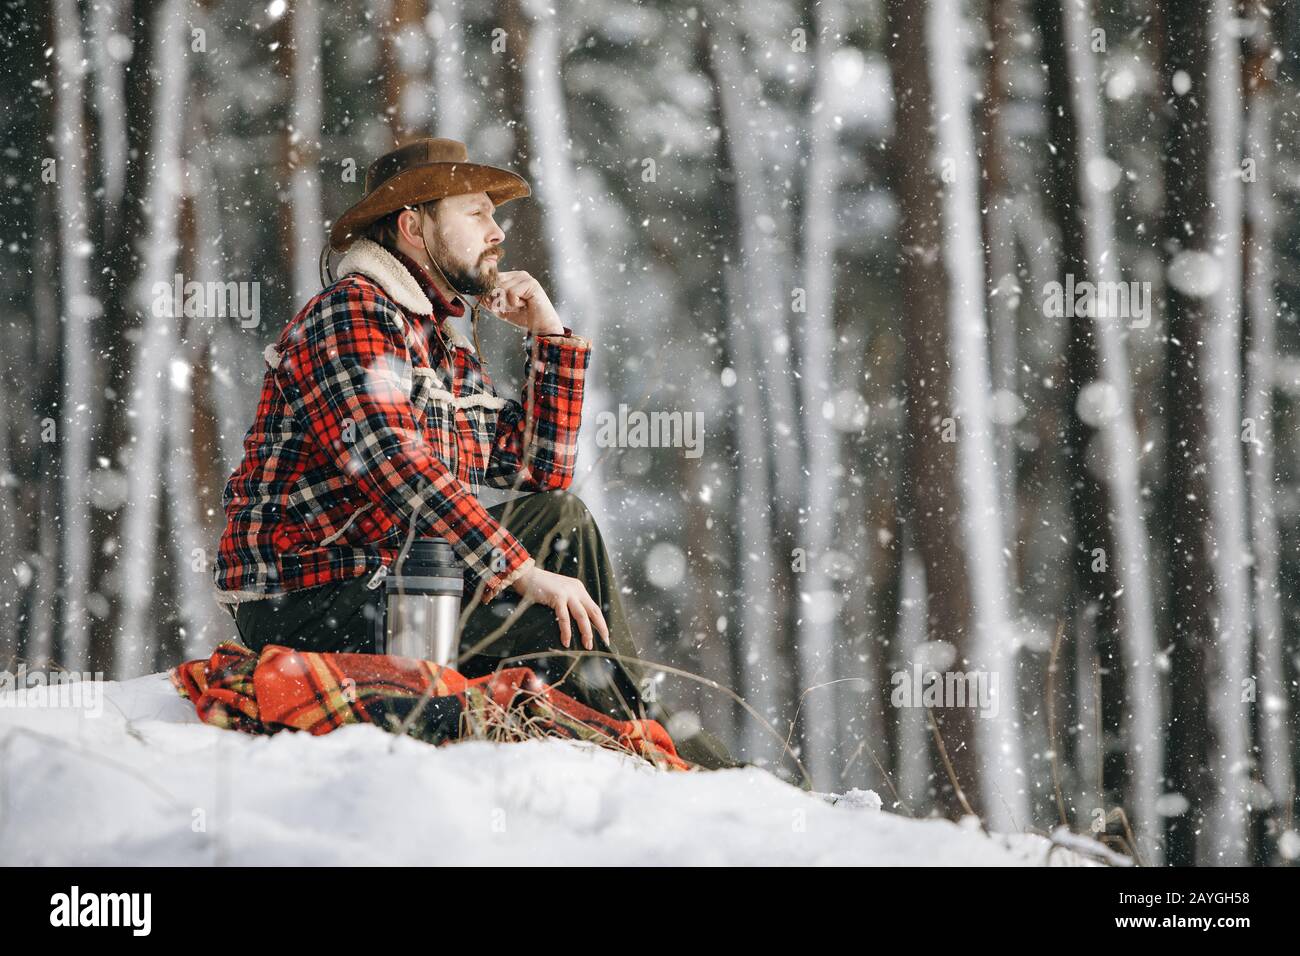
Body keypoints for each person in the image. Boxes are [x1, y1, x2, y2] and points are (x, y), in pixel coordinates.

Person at [211, 137, 738, 770]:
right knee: (551, 600)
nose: (497, 231)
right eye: (475, 214)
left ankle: (645, 742)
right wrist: (520, 572)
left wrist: (549, 337)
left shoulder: (435, 339)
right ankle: (669, 756)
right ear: (414, 226)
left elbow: (536, 470)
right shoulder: (351, 314)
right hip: (313, 602)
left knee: (560, 524)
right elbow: (393, 464)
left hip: (404, 577)